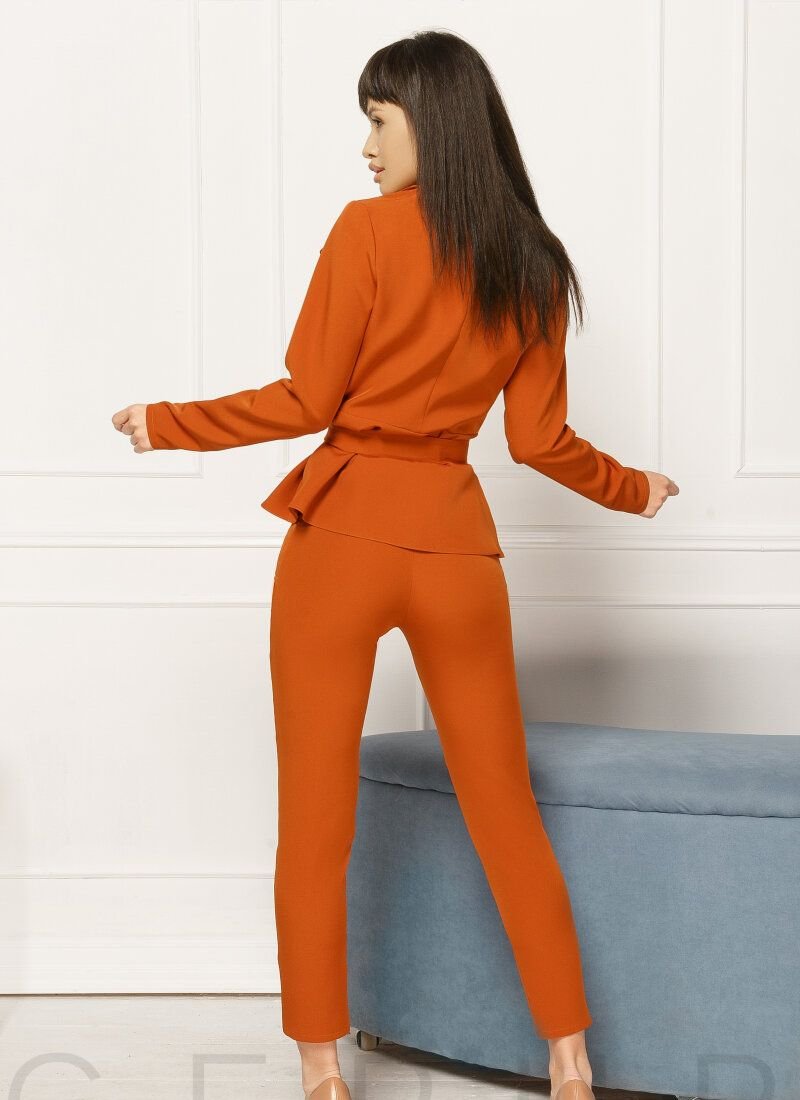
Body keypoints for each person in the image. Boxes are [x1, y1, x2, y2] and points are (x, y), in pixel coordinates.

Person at [111, 29, 679, 1100]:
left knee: (315, 819)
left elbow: (307, 399)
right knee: (504, 809)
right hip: (457, 551)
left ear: (433, 118)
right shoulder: (533, 263)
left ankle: (322, 1069)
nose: (366, 145)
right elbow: (538, 441)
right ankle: (569, 1058)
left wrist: (167, 422)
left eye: (379, 119)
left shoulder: (366, 231)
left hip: (341, 540)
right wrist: (633, 486)